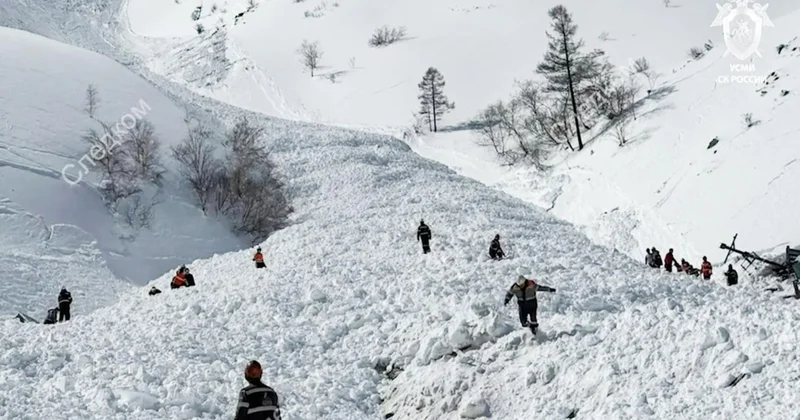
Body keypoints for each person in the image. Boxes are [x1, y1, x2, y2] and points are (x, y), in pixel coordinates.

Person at [503, 268, 556, 334]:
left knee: (533, 319)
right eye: (520, 285)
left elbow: (540, 288)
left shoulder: (531, 285)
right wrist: (507, 299)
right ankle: (529, 326)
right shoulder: (515, 287)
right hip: (522, 306)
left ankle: (535, 331)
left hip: (532, 304)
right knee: (523, 322)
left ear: (524, 282)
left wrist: (549, 289)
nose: (521, 286)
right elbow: (510, 293)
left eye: (522, 285)